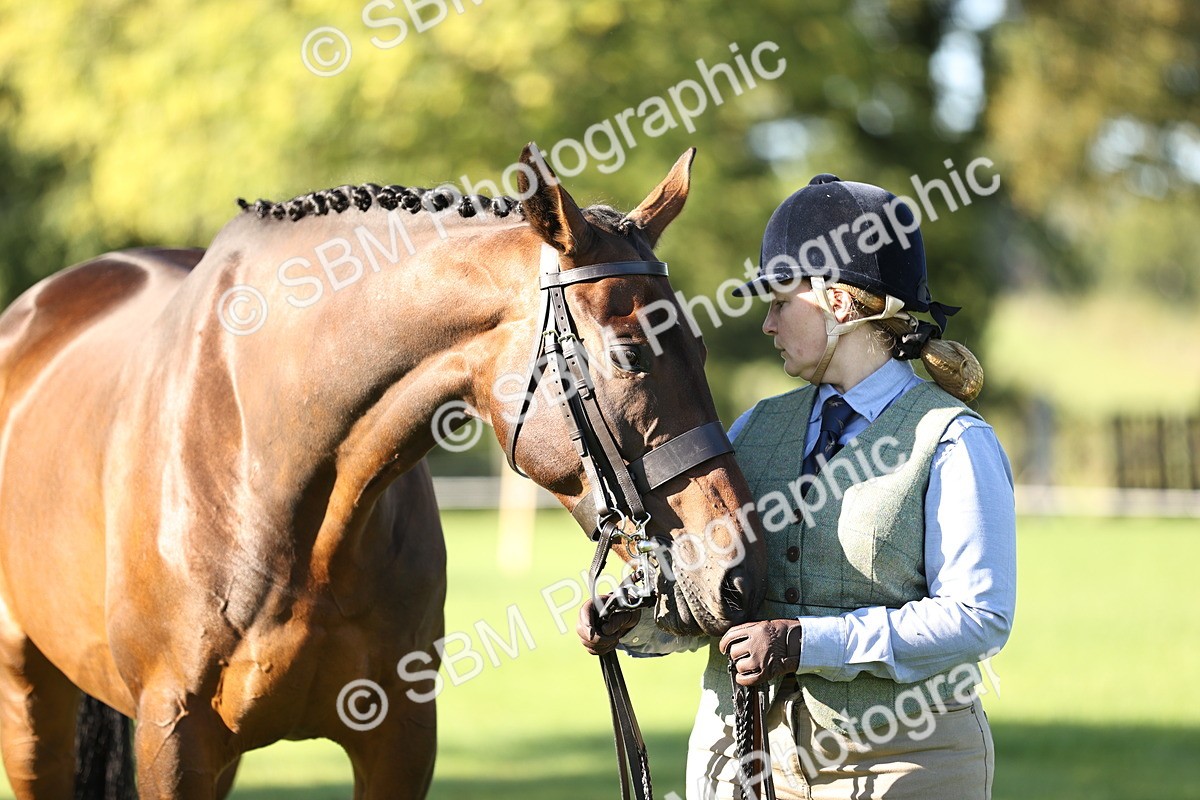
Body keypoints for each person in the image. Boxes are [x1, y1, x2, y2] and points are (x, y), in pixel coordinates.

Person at [577, 173, 1016, 800]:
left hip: (901, 764)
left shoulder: (953, 440)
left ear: (838, 303)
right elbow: (718, 589)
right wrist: (638, 617)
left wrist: (809, 644)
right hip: (743, 760)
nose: (767, 323)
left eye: (781, 300)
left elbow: (979, 617)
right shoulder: (757, 426)